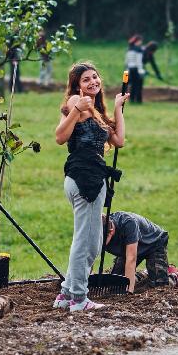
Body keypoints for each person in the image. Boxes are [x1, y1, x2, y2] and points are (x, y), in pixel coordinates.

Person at [53, 62, 128, 312]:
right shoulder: (77, 101)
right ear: (77, 85)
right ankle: (78, 298)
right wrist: (76, 109)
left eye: (95, 77)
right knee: (87, 243)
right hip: (84, 180)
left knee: (90, 241)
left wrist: (118, 108)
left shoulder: (94, 110)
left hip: (92, 179)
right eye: (86, 79)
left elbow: (118, 140)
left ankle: (66, 294)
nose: (93, 82)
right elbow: (60, 137)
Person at [103, 210, 178, 292]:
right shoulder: (94, 231)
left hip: (153, 243)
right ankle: (144, 273)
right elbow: (89, 256)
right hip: (129, 249)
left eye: (101, 240)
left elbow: (131, 258)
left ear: (111, 232)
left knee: (159, 287)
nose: (98, 244)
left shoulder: (128, 223)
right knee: (115, 284)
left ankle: (174, 275)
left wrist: (129, 291)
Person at [125, 34, 146, 104]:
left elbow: (126, 61)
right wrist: (141, 71)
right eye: (140, 41)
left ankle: (132, 100)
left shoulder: (129, 49)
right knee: (138, 86)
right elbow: (139, 61)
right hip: (136, 69)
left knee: (132, 85)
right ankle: (138, 100)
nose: (141, 43)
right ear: (137, 41)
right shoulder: (139, 50)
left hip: (130, 69)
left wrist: (127, 71)